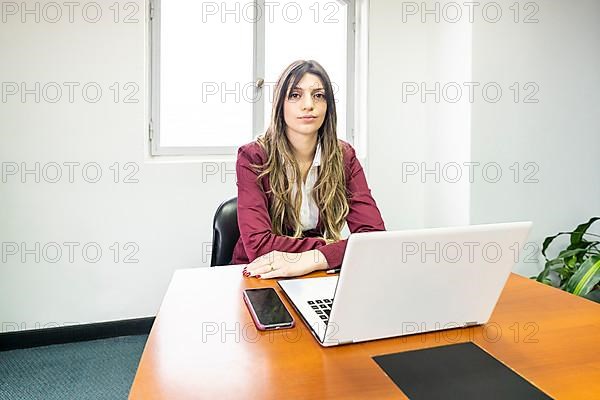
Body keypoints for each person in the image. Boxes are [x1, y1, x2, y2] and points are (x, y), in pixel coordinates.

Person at [233, 59, 385, 279]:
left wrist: (315, 259)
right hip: (259, 272)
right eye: (295, 95)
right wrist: (328, 248)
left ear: (328, 106)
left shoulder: (344, 157)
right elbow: (259, 245)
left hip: (314, 271)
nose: (308, 105)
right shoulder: (254, 156)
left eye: (318, 95)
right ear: (280, 104)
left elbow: (373, 239)